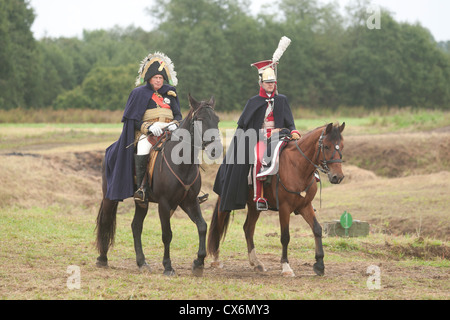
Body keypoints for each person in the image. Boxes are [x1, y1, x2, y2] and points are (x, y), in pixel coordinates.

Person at [213, 37, 301, 212]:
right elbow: (246, 127)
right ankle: (259, 195)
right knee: (261, 159)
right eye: (268, 82)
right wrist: (263, 133)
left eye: (273, 83)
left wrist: (294, 131)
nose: (271, 85)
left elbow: (290, 122)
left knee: (299, 155)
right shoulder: (253, 102)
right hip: (259, 138)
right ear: (261, 83)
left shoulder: (282, 100)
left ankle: (300, 193)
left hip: (281, 136)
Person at [104, 52, 182, 203]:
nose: (158, 81)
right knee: (143, 147)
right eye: (155, 78)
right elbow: (133, 120)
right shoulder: (138, 93)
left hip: (169, 131)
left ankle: (188, 190)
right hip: (148, 133)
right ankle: (142, 188)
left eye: (160, 78)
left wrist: (175, 124)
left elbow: (178, 115)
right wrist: (150, 127)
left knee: (186, 147)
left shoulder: (170, 93)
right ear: (149, 78)